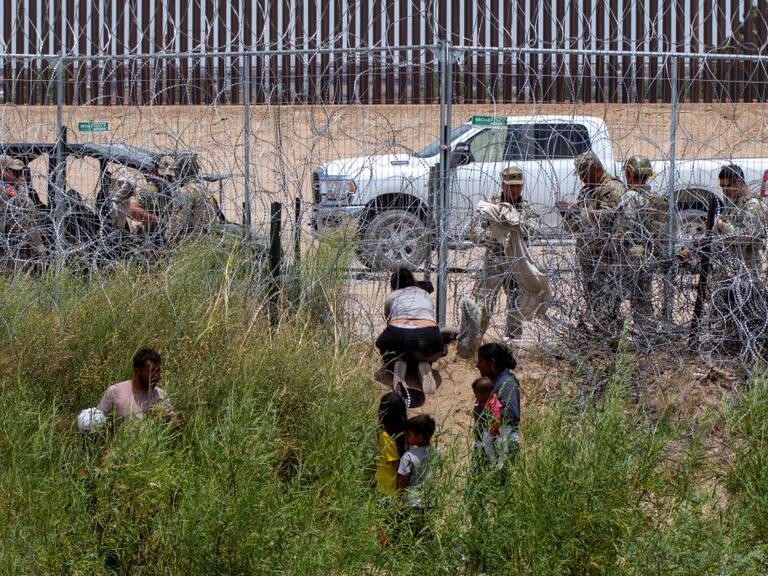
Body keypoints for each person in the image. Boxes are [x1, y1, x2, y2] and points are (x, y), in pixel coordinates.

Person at [557, 150, 627, 342]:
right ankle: (599, 338)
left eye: (583, 173)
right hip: (588, 255)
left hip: (606, 257)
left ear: (595, 169)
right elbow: (577, 227)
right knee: (593, 301)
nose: (581, 178)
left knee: (608, 301)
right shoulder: (587, 190)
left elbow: (608, 219)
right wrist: (568, 215)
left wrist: (576, 211)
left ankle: (609, 340)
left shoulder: (612, 188)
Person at [471, 165, 540, 342]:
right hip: (495, 259)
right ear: (502, 185)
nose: (515, 190)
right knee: (484, 302)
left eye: (518, 186)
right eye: (511, 186)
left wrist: (516, 230)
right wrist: (498, 234)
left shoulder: (526, 209)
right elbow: (475, 233)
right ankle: (475, 340)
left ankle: (513, 342)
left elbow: (533, 232)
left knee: (516, 303)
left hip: (517, 261)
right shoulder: (490, 207)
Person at [376, 268, 446, 394]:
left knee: (382, 344)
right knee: (438, 348)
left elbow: (388, 319)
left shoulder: (393, 296)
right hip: (428, 337)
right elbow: (430, 316)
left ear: (394, 284)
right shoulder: (424, 294)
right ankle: (425, 363)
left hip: (399, 334)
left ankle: (398, 364)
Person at [618, 156, 660, 332]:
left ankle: (643, 331)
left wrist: (615, 238)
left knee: (632, 295)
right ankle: (647, 330)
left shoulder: (630, 196)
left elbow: (626, 226)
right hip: (648, 251)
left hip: (632, 252)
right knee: (642, 295)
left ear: (629, 173)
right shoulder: (652, 197)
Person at [96, 348, 174, 424]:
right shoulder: (115, 392)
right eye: (151, 371)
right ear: (137, 371)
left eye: (158, 371)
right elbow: (97, 423)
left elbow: (174, 427)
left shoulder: (160, 395)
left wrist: (167, 418)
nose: (156, 376)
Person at [713, 163, 766, 274]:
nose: (724, 192)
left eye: (726, 187)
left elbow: (748, 236)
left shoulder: (753, 205)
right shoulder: (737, 204)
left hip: (749, 268)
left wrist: (722, 225)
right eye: (722, 188)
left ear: (737, 182)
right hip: (736, 264)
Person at [475, 343, 520, 459]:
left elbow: (510, 414)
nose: (477, 365)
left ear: (492, 363)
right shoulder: (493, 382)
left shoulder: (507, 384)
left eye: (480, 361)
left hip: (500, 452)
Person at [0, 154, 45, 272]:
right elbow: (31, 229)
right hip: (14, 251)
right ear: (2, 171)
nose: (21, 177)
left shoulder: (15, 194)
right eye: (16, 173)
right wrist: (39, 251)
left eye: (21, 173)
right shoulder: (16, 198)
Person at [396, 414, 437, 534]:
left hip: (411, 502)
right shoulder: (436, 453)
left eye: (409, 434)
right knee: (423, 533)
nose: (406, 437)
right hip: (429, 500)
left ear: (419, 438)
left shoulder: (408, 457)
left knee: (408, 533)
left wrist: (398, 499)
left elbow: (402, 481)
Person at [376, 392, 407, 498]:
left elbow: (396, 465)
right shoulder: (406, 431)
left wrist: (399, 493)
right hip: (399, 486)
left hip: (387, 487)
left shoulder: (385, 436)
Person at [471, 376, 505, 468]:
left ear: (485, 395)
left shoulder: (493, 403)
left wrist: (491, 431)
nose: (475, 396)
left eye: (476, 394)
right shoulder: (482, 400)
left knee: (489, 453)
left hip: (489, 436)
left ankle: (493, 465)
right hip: (481, 435)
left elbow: (497, 419)